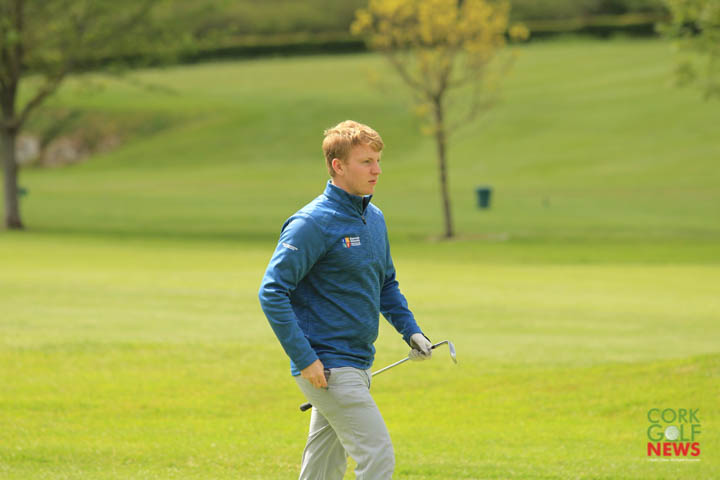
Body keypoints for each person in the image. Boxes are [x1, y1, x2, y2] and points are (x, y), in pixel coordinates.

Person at [258, 120, 433, 480]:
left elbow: (386, 284)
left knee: (322, 468)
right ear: (338, 166)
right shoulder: (312, 223)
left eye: (378, 160)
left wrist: (411, 331)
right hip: (328, 367)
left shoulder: (375, 219)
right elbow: (272, 291)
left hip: (357, 363)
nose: (377, 170)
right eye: (366, 162)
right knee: (378, 457)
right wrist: (305, 359)